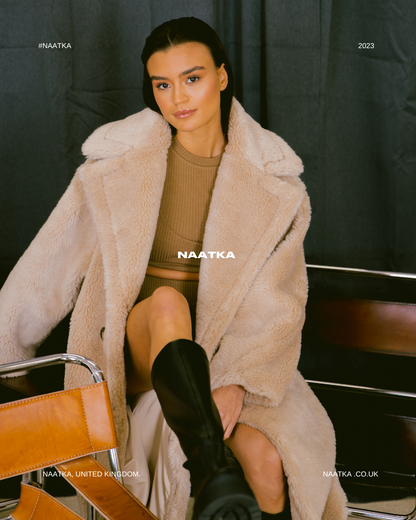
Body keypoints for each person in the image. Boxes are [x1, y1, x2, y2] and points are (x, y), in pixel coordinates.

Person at [0, 17, 348, 520]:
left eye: (192, 78)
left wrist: (237, 382)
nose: (178, 97)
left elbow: (280, 303)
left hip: (233, 355)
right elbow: (47, 267)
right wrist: (7, 352)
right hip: (141, 351)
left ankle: (219, 483)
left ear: (222, 77)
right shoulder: (113, 167)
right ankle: (211, 468)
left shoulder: (275, 185)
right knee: (166, 303)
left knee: (271, 464)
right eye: (163, 84)